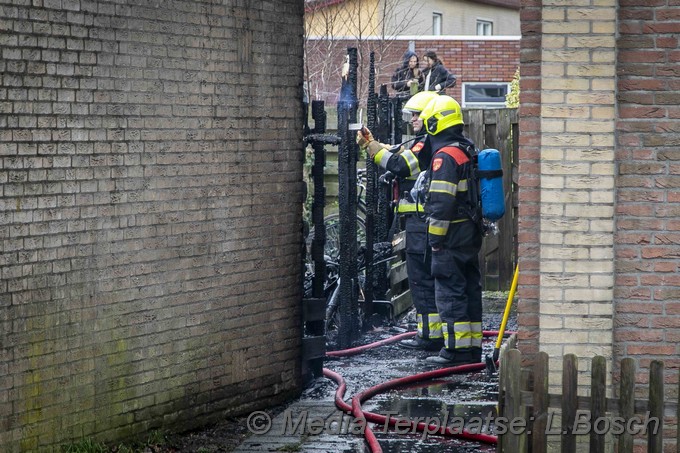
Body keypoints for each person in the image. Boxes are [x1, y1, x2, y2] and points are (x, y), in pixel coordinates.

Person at [356, 91, 443, 352]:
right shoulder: (432, 141)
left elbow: (398, 164)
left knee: (421, 281)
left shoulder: (426, 144)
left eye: (418, 114)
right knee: (426, 281)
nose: (413, 119)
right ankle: (431, 334)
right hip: (423, 222)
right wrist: (375, 143)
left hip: (421, 223)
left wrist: (370, 149)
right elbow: (399, 153)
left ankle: (429, 337)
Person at [417, 95, 483, 366]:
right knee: (469, 288)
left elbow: (441, 202)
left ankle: (455, 351)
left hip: (451, 235)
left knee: (450, 289)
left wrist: (434, 239)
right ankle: (472, 348)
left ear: (435, 121)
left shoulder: (444, 157)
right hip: (470, 233)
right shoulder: (466, 148)